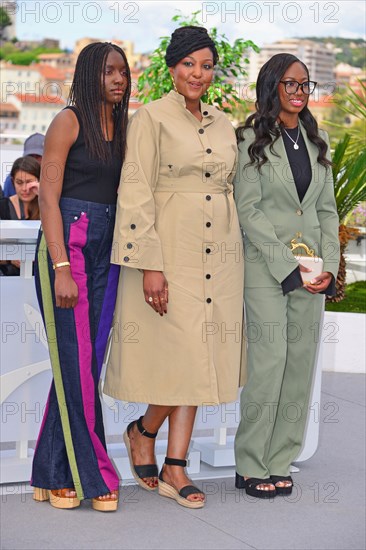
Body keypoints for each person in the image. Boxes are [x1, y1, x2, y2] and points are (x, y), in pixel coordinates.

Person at [104, 26, 246, 509]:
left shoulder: (225, 123)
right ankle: (144, 433)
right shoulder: (150, 119)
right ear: (171, 67)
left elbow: (236, 187)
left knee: (202, 355)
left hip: (220, 251)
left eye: (207, 66)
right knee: (185, 352)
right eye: (190, 64)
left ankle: (174, 465)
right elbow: (135, 192)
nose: (199, 74)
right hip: (172, 250)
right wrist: (150, 265)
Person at [234, 53, 340, 498]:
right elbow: (248, 210)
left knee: (298, 369)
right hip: (267, 269)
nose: (298, 93)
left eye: (304, 85)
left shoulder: (318, 143)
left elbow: (327, 211)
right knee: (270, 363)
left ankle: (280, 459)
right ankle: (251, 463)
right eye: (290, 84)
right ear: (272, 86)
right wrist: (286, 264)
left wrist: (330, 268)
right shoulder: (248, 138)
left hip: (312, 271)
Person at [31, 42, 131, 511]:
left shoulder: (124, 125)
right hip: (66, 247)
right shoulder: (67, 121)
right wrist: (60, 268)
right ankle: (95, 477)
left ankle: (50, 473)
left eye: (123, 72)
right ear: (90, 74)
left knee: (81, 366)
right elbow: (48, 198)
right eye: (109, 71)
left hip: (105, 251)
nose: (118, 79)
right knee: (77, 364)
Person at [0, 156, 40, 276]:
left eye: (29, 182)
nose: (24, 189)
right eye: (19, 182)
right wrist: (10, 259)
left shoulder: (49, 208)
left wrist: (44, 198)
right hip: (7, 278)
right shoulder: (3, 206)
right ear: (12, 181)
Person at [3, 133, 44, 197]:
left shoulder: (54, 180)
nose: (34, 160)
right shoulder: (12, 179)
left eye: (38, 156)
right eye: (30, 156)